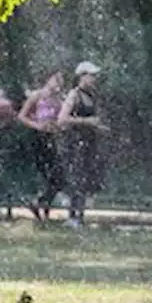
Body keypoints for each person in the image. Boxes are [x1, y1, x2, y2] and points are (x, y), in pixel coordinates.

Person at [58, 61, 110, 226]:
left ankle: (79, 216)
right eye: (91, 75)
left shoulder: (91, 96)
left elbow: (91, 121)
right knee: (77, 178)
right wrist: (86, 121)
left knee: (86, 178)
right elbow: (62, 119)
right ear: (82, 76)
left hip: (88, 142)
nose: (94, 79)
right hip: (75, 143)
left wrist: (99, 128)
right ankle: (73, 217)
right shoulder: (74, 95)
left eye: (95, 75)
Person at [16, 70, 65, 222]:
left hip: (51, 137)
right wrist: (36, 125)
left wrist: (58, 127)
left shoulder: (59, 100)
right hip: (37, 137)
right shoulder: (37, 96)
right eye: (56, 79)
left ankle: (41, 203)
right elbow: (21, 116)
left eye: (61, 80)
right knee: (45, 174)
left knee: (57, 177)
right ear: (48, 79)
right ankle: (42, 208)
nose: (59, 82)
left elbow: (62, 120)